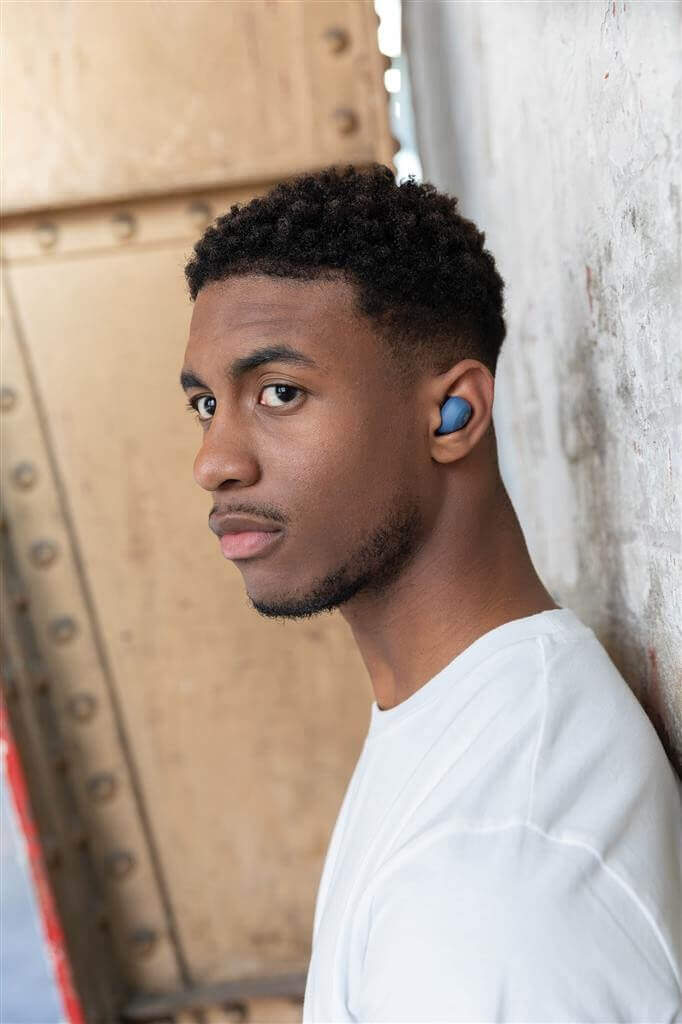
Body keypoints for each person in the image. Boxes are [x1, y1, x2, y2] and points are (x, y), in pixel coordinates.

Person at [180, 164, 681, 1022]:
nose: (214, 461)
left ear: (455, 415)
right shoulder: (456, 715)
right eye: (204, 404)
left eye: (279, 393)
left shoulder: (489, 886)